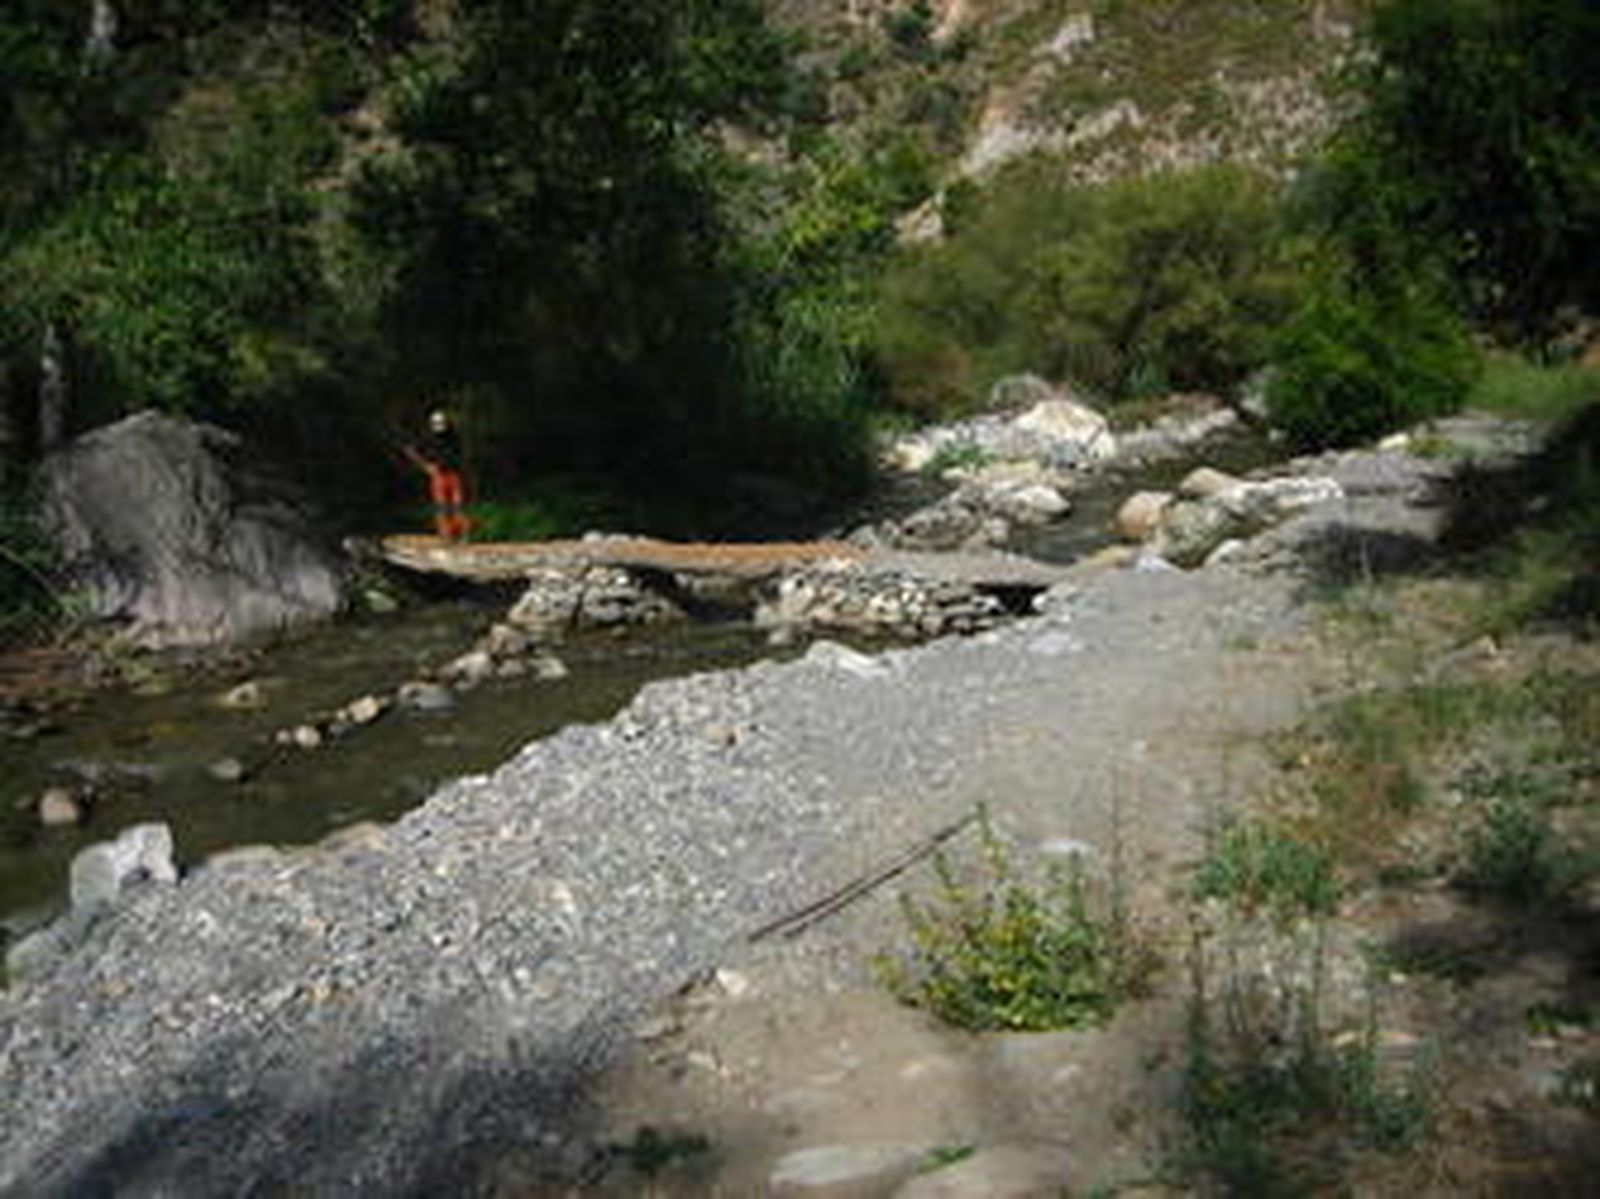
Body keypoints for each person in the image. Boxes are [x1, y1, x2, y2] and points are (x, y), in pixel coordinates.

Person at [402, 409, 472, 541]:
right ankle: (447, 537)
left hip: (454, 474)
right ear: (432, 424)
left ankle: (463, 538)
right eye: (437, 424)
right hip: (439, 475)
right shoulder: (427, 437)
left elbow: (459, 455)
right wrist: (426, 466)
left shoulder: (453, 436)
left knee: (458, 506)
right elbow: (409, 450)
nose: (440, 426)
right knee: (442, 507)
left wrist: (463, 470)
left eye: (443, 423)